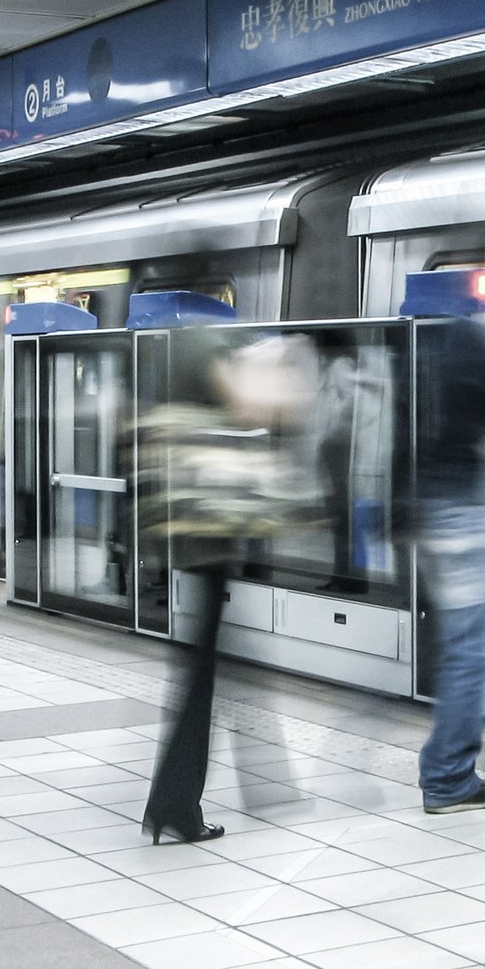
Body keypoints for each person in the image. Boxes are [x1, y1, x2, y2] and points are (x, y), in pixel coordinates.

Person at [141, 331, 320, 844]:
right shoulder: (206, 343)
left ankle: (177, 802)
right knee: (201, 677)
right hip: (210, 531)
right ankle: (176, 804)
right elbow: (252, 407)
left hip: (196, 529)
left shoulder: (182, 345)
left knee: (203, 672)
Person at [413, 315, 485, 814]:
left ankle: (444, 769)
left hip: (428, 504)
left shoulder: (418, 344)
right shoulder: (464, 333)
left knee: (457, 645)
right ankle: (449, 777)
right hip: (459, 505)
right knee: (469, 651)